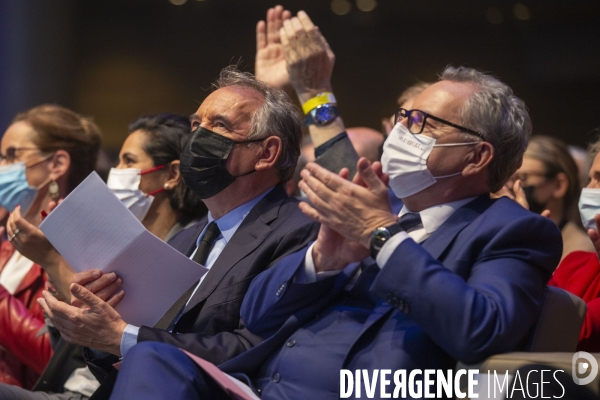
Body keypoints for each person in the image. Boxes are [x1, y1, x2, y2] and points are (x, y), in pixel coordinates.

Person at [105, 59, 563, 398]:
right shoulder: (368, 216)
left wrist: (383, 237)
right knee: (152, 358)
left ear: (477, 156)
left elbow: (482, 329)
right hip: (260, 388)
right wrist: (319, 262)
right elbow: (260, 315)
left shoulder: (511, 231)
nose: (403, 131)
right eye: (404, 118)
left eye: (422, 123)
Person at [39, 66, 320, 399]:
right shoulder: (185, 239)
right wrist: (99, 329)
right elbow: (125, 343)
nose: (198, 137)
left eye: (219, 125)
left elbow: (249, 347)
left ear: (266, 153)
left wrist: (122, 336)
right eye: (196, 124)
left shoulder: (298, 231)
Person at [0, 113, 207, 399]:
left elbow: (60, 355)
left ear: (172, 175)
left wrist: (51, 261)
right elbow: (71, 349)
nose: (115, 173)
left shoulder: (187, 252)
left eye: (129, 162)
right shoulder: (14, 245)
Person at [0, 104, 102, 388]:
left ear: (57, 164)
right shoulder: (6, 243)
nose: (1, 167)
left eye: (11, 156)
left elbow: (54, 361)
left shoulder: (79, 251)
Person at [549, 134, 600, 352]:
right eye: (589, 179)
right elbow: (535, 324)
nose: (589, 189)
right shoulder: (576, 263)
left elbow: (573, 331)